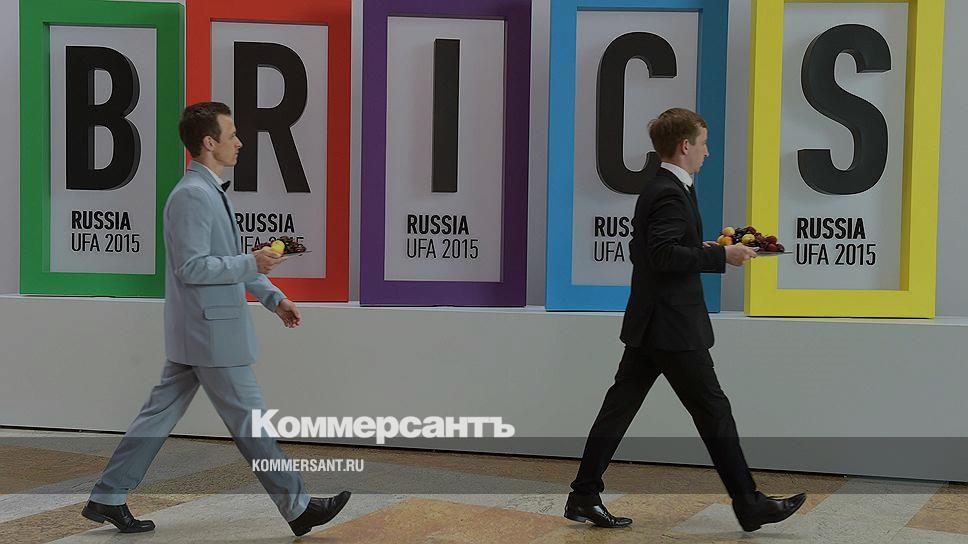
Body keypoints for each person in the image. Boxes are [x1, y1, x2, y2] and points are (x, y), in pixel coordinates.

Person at [82, 102, 349, 537]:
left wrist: (273, 298)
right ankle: (299, 508)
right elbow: (192, 267)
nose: (240, 142)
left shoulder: (208, 191)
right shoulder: (192, 195)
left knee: (157, 416)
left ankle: (108, 496)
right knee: (251, 423)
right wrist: (251, 263)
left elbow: (227, 259)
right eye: (232, 135)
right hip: (211, 334)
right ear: (209, 142)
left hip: (200, 331)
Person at [565, 108, 805, 532]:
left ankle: (584, 494)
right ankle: (749, 504)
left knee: (619, 409)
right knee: (713, 411)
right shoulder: (669, 193)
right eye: (704, 143)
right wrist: (721, 255)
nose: (707, 152)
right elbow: (660, 255)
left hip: (651, 322)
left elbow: (645, 250)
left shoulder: (660, 188)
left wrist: (700, 247)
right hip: (672, 327)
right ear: (685, 145)